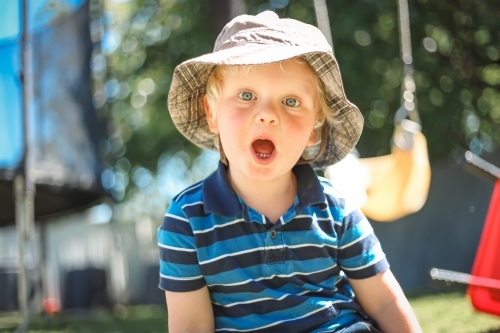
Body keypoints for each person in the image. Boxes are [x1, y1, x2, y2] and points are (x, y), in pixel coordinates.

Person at [158, 11, 422, 333]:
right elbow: (192, 326)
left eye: (291, 101)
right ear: (212, 114)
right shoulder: (187, 221)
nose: (267, 115)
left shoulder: (336, 210)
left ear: (313, 129)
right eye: (246, 96)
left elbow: (384, 302)